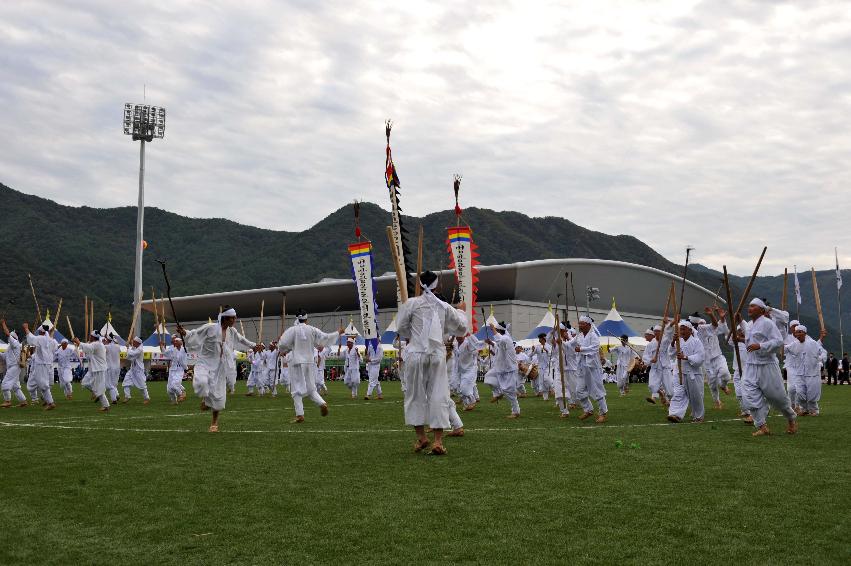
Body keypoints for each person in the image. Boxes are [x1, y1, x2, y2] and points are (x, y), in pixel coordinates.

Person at [396, 270, 468, 455]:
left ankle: (422, 437)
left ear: (420, 285)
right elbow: (462, 328)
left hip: (416, 354)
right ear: (438, 286)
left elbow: (401, 328)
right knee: (439, 395)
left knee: (414, 395)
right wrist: (461, 310)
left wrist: (414, 334)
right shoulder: (444, 307)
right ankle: (437, 441)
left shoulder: (411, 304)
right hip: (436, 355)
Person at [178, 307, 256, 432]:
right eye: (232, 318)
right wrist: (185, 333)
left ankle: (214, 423)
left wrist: (254, 345)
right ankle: (205, 399)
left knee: (219, 397)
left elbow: (241, 339)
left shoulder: (232, 331)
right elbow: (195, 334)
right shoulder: (210, 327)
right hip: (205, 362)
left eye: (235, 317)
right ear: (225, 318)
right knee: (201, 383)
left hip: (220, 366)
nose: (234, 320)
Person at [740, 298, 798, 436]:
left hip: (767, 365)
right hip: (751, 365)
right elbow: (749, 336)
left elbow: (778, 342)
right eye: (749, 306)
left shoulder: (768, 323)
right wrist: (739, 321)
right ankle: (762, 425)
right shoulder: (750, 325)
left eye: (753, 306)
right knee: (748, 395)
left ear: (761, 309)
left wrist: (760, 346)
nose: (749, 308)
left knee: (777, 397)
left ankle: (791, 419)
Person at [277, 310, 340, 423]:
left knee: (296, 390)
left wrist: (283, 349)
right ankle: (322, 403)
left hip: (297, 362)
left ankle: (300, 415)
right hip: (310, 362)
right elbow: (325, 337)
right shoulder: (312, 329)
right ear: (306, 319)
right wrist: (337, 333)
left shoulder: (292, 330)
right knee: (311, 389)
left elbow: (282, 344)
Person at [570, 316, 608, 423]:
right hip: (582, 368)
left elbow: (594, 348)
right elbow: (570, 345)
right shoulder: (579, 336)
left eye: (582, 323)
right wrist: (560, 341)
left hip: (593, 368)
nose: (580, 325)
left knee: (598, 391)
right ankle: (588, 410)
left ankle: (603, 413)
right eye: (579, 323)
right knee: (579, 391)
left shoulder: (593, 336)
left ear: (588, 325)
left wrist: (581, 349)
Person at [666, 320, 706, 423]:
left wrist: (686, 357)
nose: (681, 331)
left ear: (689, 330)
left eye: (683, 329)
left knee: (695, 396)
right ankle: (675, 414)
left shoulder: (696, 342)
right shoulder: (678, 341)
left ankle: (699, 416)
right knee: (678, 393)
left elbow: (700, 357)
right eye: (680, 329)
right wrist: (673, 341)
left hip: (693, 373)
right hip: (679, 372)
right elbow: (670, 354)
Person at [785, 325, 827, 416]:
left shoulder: (812, 343)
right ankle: (804, 408)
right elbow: (784, 348)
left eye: (800, 332)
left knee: (812, 392)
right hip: (799, 373)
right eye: (796, 332)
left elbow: (823, 352)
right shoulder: (794, 344)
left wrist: (819, 359)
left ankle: (814, 409)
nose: (798, 334)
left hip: (812, 373)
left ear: (805, 333)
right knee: (799, 392)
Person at [484, 321, 521, 419]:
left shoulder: (505, 338)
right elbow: (498, 344)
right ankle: (498, 393)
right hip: (500, 368)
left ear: (499, 330)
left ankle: (516, 411)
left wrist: (493, 329)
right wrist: (491, 342)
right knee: (489, 377)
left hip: (509, 368)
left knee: (509, 391)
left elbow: (500, 341)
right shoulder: (504, 338)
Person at [697, 308, 732, 409]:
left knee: (726, 375)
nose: (702, 326)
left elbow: (725, 330)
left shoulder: (712, 330)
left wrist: (722, 318)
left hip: (718, 357)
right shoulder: (697, 335)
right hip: (707, 362)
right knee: (712, 384)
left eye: (704, 323)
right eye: (700, 324)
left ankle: (723, 385)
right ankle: (717, 401)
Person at [73, 330, 111, 412]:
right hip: (95, 368)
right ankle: (96, 394)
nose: (89, 336)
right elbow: (88, 350)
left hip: (99, 369)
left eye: (90, 336)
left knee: (99, 388)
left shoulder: (97, 344)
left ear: (93, 337)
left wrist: (79, 342)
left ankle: (105, 406)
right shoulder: (97, 344)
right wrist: (79, 344)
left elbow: (88, 348)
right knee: (86, 383)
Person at [24, 322, 57, 410]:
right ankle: (48, 401)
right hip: (47, 364)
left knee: (42, 384)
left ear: (41, 332)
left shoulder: (41, 338)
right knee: (42, 383)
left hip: (41, 364)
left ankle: (50, 402)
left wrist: (26, 328)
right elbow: (55, 349)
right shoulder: (52, 340)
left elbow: (31, 339)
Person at [0, 323, 27, 407]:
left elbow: (7, 333)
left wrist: (3, 324)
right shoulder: (10, 347)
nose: (8, 338)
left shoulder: (15, 343)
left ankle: (7, 401)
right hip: (13, 367)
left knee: (5, 383)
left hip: (14, 366)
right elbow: (4, 357)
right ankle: (23, 401)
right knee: (15, 386)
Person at [455, 334, 483, 410]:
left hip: (469, 370)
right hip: (459, 370)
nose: (459, 337)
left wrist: (469, 334)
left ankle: (473, 400)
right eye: (457, 335)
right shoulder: (455, 344)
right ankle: (466, 404)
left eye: (461, 335)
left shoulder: (468, 344)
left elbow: (477, 345)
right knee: (458, 388)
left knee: (465, 389)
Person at [122, 337, 150, 404]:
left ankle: (147, 398)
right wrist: (129, 349)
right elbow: (128, 357)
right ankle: (127, 396)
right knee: (126, 382)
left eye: (134, 341)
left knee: (142, 385)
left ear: (138, 343)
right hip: (132, 369)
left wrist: (128, 348)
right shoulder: (134, 348)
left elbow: (132, 354)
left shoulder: (140, 349)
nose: (132, 342)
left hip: (138, 370)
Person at [161, 336, 188, 404]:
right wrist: (162, 346)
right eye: (174, 341)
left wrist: (182, 334)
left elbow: (185, 344)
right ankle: (174, 401)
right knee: (169, 389)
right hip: (172, 370)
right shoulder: (172, 349)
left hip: (180, 370)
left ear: (181, 342)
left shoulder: (184, 349)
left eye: (176, 341)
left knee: (174, 385)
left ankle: (181, 393)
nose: (175, 342)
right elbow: (164, 353)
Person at [530, 333, 553, 399]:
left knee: (546, 379)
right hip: (540, 366)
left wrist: (547, 350)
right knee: (542, 381)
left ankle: (552, 388)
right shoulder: (537, 347)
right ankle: (545, 397)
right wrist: (532, 350)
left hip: (548, 366)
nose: (539, 340)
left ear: (543, 339)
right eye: (539, 338)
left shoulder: (549, 346)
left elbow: (551, 355)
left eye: (540, 338)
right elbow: (530, 355)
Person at [105, 334, 122, 404]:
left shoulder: (107, 347)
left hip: (110, 367)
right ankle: (117, 394)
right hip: (117, 367)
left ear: (108, 340)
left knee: (109, 384)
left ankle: (114, 398)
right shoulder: (118, 346)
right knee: (114, 383)